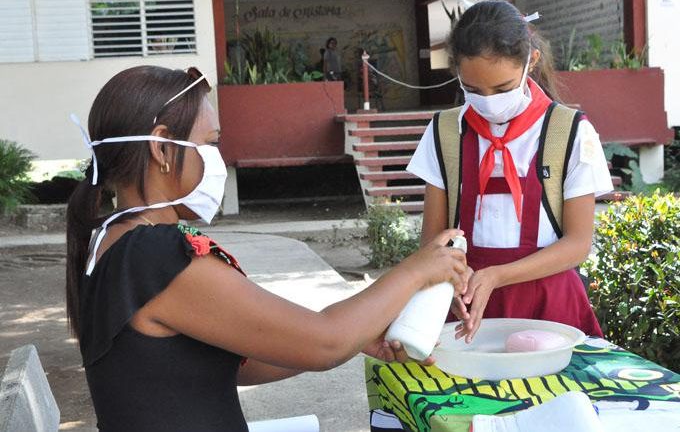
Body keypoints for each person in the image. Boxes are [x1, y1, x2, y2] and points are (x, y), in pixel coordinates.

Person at [65, 65, 469, 432]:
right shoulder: (154, 256)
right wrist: (418, 270)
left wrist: (356, 338)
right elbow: (323, 341)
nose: (217, 159)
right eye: (210, 143)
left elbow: (236, 362)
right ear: (161, 148)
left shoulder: (112, 238)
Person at [406, 0, 613, 344]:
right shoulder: (444, 132)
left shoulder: (568, 132)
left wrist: (498, 276)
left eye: (502, 89)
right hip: (467, 302)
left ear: (530, 61)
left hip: (551, 305)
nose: (488, 101)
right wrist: (450, 281)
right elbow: (432, 239)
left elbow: (578, 244)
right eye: (472, 90)